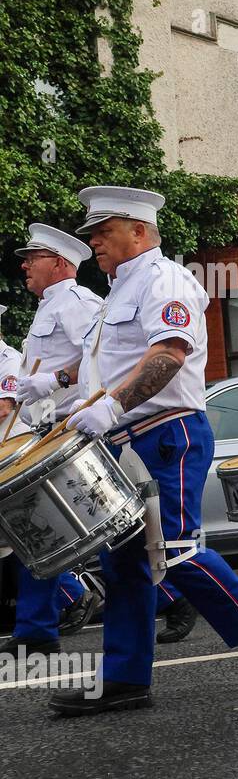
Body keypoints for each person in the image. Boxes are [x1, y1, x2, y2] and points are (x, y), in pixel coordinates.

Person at [46, 185, 238, 715]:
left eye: (103, 231)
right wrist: (59, 393)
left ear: (139, 231)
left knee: (173, 550)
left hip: (167, 432)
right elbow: (110, 362)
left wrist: (111, 407)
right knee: (122, 562)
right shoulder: (120, 289)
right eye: (92, 232)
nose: (93, 240)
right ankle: (124, 677)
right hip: (125, 438)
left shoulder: (164, 279)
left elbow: (169, 354)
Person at [0, 227, 105, 656]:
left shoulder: (77, 302)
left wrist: (58, 378)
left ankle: (172, 597)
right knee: (37, 531)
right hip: (48, 430)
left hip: (73, 428)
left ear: (61, 263)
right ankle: (36, 633)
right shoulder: (49, 307)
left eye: (33, 257)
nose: (24, 264)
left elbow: (103, 354)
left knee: (98, 533)